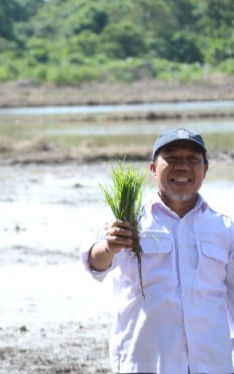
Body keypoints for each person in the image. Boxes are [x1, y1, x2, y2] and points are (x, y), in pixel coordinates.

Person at [83, 128, 234, 373]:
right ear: (153, 169)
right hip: (147, 362)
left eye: (192, 160)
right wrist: (109, 246)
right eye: (171, 159)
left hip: (210, 364)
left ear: (205, 169)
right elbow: (95, 264)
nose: (182, 167)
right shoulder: (128, 219)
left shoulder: (224, 228)